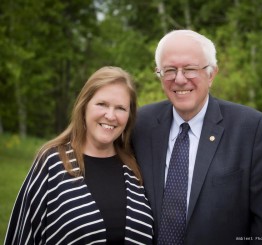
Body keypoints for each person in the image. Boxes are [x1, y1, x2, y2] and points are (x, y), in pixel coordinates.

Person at [132, 30, 262, 244]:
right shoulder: (141, 123)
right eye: (169, 70)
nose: (179, 79)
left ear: (211, 74)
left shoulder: (250, 128)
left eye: (190, 69)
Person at [5, 66, 153, 244]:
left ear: (130, 116)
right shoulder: (53, 162)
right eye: (102, 104)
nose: (111, 115)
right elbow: (22, 234)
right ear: (84, 107)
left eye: (121, 108)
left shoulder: (134, 167)